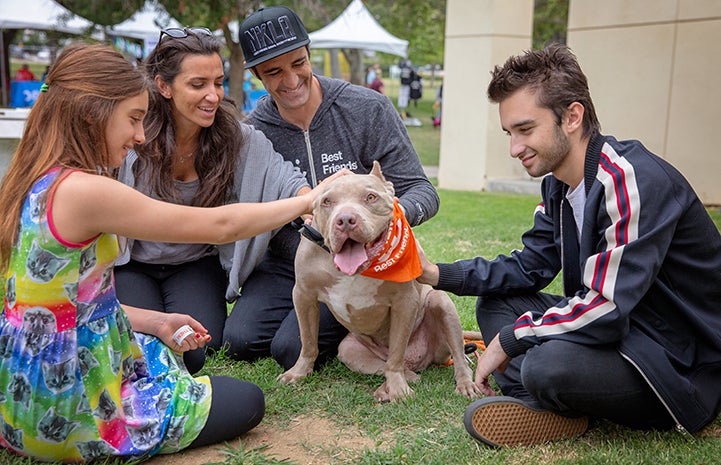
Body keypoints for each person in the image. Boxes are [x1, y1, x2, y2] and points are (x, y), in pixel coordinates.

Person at [0, 42, 344, 462]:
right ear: (93, 113)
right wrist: (311, 200)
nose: (140, 135)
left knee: (173, 350)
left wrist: (157, 321)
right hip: (68, 410)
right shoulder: (85, 191)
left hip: (20, 401)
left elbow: (62, 307)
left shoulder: (33, 178)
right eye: (132, 119)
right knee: (247, 400)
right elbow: (220, 225)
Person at [418, 43, 721, 447]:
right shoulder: (559, 184)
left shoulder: (629, 179)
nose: (515, 148)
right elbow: (530, 268)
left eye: (526, 129)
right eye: (509, 133)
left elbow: (608, 306)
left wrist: (513, 339)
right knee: (497, 303)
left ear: (572, 116)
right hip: (623, 332)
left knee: (544, 363)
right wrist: (436, 274)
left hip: (679, 362)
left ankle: (546, 389)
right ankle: (546, 408)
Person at [226, 5, 439, 372]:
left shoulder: (367, 108)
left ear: (310, 55)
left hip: (368, 258)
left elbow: (422, 190)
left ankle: (362, 329)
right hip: (293, 263)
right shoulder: (255, 130)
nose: (291, 80)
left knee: (287, 348)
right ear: (257, 75)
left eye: (298, 63)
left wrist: (386, 222)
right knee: (239, 340)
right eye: (274, 72)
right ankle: (340, 325)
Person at [114, 27, 309, 375]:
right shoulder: (135, 134)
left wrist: (309, 199)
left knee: (196, 350)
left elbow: (284, 177)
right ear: (163, 86)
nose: (213, 96)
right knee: (140, 342)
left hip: (194, 263)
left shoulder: (234, 137)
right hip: (134, 262)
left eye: (218, 83)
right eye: (197, 84)